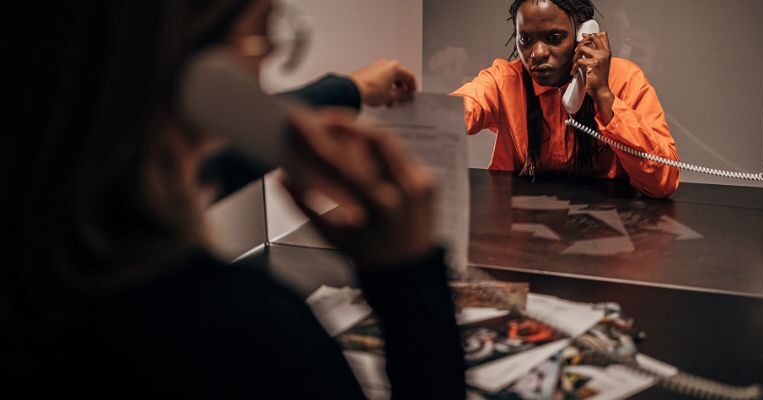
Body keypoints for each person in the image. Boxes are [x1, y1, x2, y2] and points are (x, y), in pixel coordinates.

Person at [4, 0, 466, 398]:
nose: (265, 65)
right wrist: (408, 279)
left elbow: (218, 159)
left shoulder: (51, 238)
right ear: (210, 76)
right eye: (265, 32)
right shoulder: (244, 336)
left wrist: (348, 91)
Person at [451, 0, 679, 198]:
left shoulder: (626, 79)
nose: (537, 53)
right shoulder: (505, 80)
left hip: (607, 231)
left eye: (554, 37)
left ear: (583, 35)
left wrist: (603, 95)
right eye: (526, 39)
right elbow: (461, 108)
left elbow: (663, 183)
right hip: (524, 231)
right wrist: (419, 110)